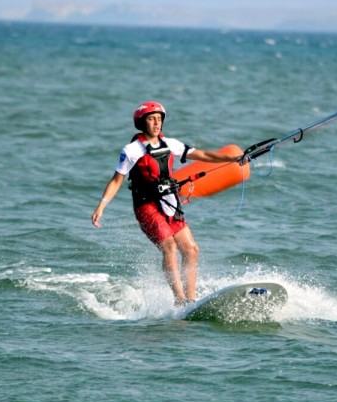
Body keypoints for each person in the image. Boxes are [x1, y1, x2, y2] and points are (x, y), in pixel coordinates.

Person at [92, 101, 240, 305]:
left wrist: (231, 158)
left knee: (191, 249)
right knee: (169, 247)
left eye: (159, 119)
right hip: (146, 207)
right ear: (142, 123)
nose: (156, 123)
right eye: (151, 119)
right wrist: (101, 206)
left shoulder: (171, 144)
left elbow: (204, 155)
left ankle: (192, 299)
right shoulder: (132, 150)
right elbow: (116, 180)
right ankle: (179, 299)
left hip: (169, 203)